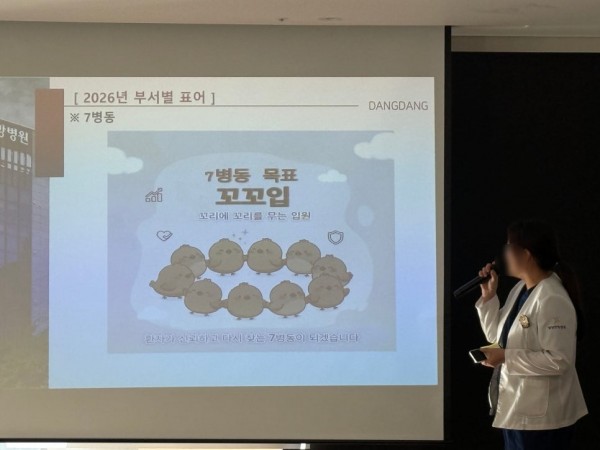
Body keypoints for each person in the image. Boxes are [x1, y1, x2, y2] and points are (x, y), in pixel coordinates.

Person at [475, 219, 587, 450]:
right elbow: (496, 336)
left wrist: (506, 357)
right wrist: (489, 297)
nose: (502, 254)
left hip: (543, 421)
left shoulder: (552, 297)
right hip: (518, 410)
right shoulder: (521, 289)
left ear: (525, 254)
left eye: (508, 246)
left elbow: (559, 360)